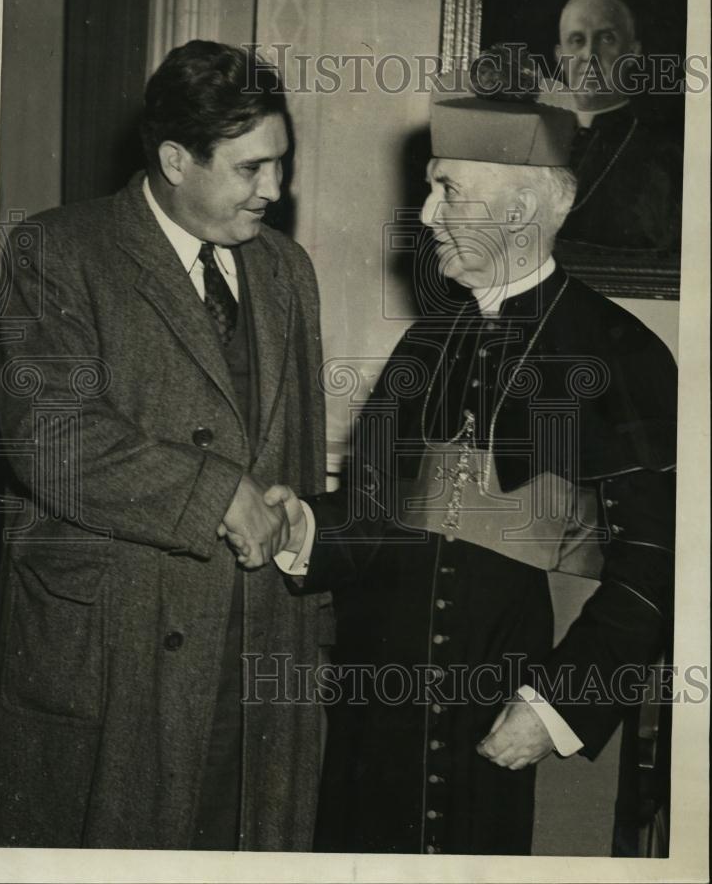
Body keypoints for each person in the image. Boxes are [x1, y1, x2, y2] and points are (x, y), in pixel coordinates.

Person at [245, 75, 677, 855]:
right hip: (383, 720)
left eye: (447, 190)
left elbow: (657, 561)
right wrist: (299, 521)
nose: (427, 215)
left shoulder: (622, 353)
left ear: (517, 209)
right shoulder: (423, 345)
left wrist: (556, 707)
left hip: (515, 715)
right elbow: (375, 516)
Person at [0, 40, 327, 850]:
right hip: (117, 662)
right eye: (249, 169)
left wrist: (299, 525)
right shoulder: (58, 252)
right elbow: (49, 437)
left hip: (255, 657)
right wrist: (213, 495)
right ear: (176, 160)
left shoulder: (286, 270)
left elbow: (301, 451)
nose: (273, 192)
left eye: (280, 164)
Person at [553, 0, 682, 251]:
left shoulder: (668, 156)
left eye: (606, 38)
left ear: (633, 52)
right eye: (576, 40)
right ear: (559, 55)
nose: (589, 55)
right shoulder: (533, 140)